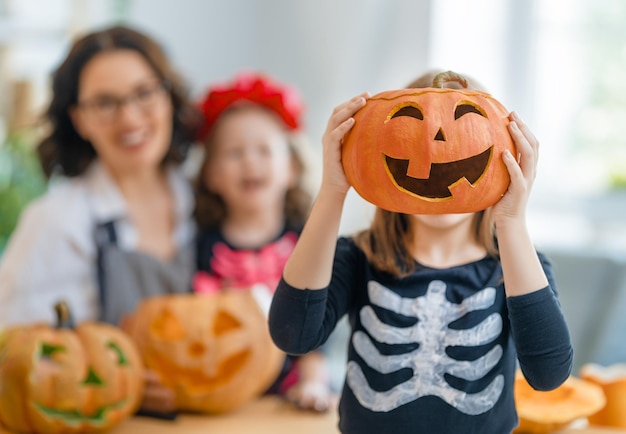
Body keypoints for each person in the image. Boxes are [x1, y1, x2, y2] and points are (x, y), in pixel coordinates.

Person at [268, 70, 574, 433]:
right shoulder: (358, 257)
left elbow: (549, 373)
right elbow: (293, 335)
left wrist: (511, 222)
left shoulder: (519, 267)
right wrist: (334, 189)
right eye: (410, 133)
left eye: (467, 130)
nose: (435, 146)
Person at [0, 25, 202, 413]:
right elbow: (17, 358)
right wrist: (121, 385)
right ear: (80, 119)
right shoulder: (56, 221)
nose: (129, 118)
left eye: (144, 92)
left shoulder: (203, 200)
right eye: (105, 103)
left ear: (167, 96)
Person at [192, 71, 336, 412]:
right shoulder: (202, 244)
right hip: (226, 385)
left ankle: (313, 389)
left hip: (294, 386)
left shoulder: (307, 239)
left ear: (292, 168)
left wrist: (312, 381)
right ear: (211, 174)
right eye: (234, 153)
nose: (250, 162)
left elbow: (319, 326)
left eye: (264, 150)